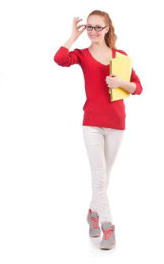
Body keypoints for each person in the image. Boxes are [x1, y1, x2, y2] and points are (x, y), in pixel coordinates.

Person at [54, 11, 142, 250]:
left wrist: (121, 83)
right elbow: (60, 59)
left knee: (104, 178)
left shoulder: (120, 56)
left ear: (107, 29)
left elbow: (138, 88)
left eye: (97, 27)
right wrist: (73, 36)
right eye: (90, 27)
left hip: (116, 123)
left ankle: (93, 212)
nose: (93, 31)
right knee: (99, 178)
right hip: (92, 123)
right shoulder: (82, 55)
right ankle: (108, 226)